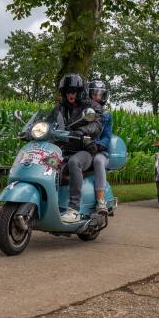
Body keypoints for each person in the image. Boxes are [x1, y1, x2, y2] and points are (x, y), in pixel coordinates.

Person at [53, 73, 102, 224]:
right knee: (46, 164)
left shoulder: (91, 106)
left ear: (80, 91)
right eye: (68, 91)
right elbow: (50, 121)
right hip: (64, 149)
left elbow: (96, 124)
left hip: (85, 150)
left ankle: (74, 209)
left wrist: (83, 131)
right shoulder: (60, 108)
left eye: (73, 91)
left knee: (74, 162)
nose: (71, 94)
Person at [87, 79, 112, 215]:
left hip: (99, 151)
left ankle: (100, 200)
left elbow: (107, 136)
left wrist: (98, 145)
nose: (96, 97)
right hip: (82, 147)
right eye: (94, 94)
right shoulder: (83, 111)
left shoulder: (106, 114)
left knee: (98, 161)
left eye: (99, 94)